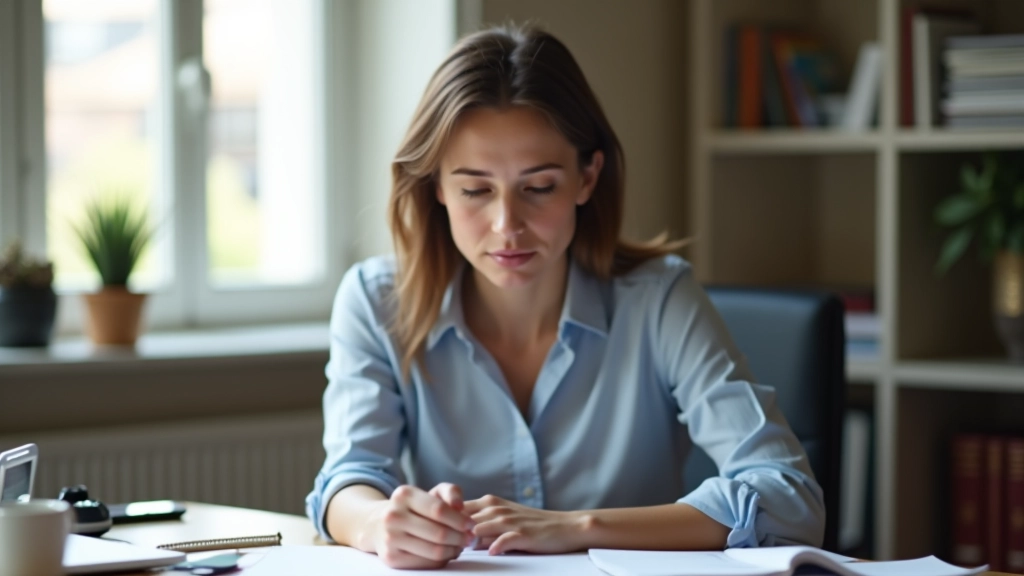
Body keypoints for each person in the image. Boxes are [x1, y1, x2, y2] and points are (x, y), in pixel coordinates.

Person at [305, 24, 824, 570]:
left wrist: (578, 529)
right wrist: (378, 523)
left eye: (539, 187)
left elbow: (790, 499)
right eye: (475, 189)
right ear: (436, 186)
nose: (507, 225)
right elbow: (347, 480)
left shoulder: (660, 300)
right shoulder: (374, 301)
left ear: (587, 177)